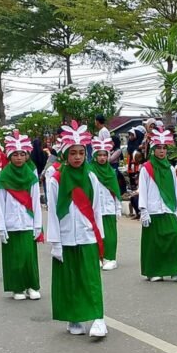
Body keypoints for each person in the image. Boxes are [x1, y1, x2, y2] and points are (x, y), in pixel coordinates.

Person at [46, 123, 109, 338]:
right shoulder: (55, 179)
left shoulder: (91, 177)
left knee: (91, 279)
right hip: (65, 238)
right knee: (70, 280)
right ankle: (74, 318)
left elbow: (97, 210)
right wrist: (55, 242)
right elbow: (53, 212)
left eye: (81, 153)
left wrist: (100, 237)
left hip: (87, 235)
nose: (77, 157)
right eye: (73, 153)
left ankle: (99, 318)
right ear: (65, 154)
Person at [0, 130, 43, 301]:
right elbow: (0, 202)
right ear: (9, 156)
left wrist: (38, 225)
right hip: (11, 223)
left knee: (29, 257)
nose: (19, 158)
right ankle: (17, 288)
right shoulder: (4, 175)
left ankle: (32, 286)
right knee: (14, 258)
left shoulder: (31, 175)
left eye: (23, 154)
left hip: (28, 222)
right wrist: (1, 227)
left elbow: (36, 201)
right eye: (15, 154)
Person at [139, 127, 177, 282]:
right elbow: (143, 190)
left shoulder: (171, 168)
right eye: (158, 148)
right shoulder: (146, 168)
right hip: (152, 210)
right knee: (154, 243)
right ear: (153, 150)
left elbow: (176, 189)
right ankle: (154, 271)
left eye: (164, 148)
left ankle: (176, 270)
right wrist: (143, 210)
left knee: (176, 236)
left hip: (168, 209)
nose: (162, 151)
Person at [91, 130, 122, 271]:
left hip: (109, 208)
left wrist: (118, 208)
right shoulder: (90, 171)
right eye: (100, 155)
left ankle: (110, 258)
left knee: (110, 235)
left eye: (105, 155)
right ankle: (98, 257)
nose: (102, 158)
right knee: (96, 234)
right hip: (95, 209)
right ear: (95, 156)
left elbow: (116, 191)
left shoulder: (111, 172)